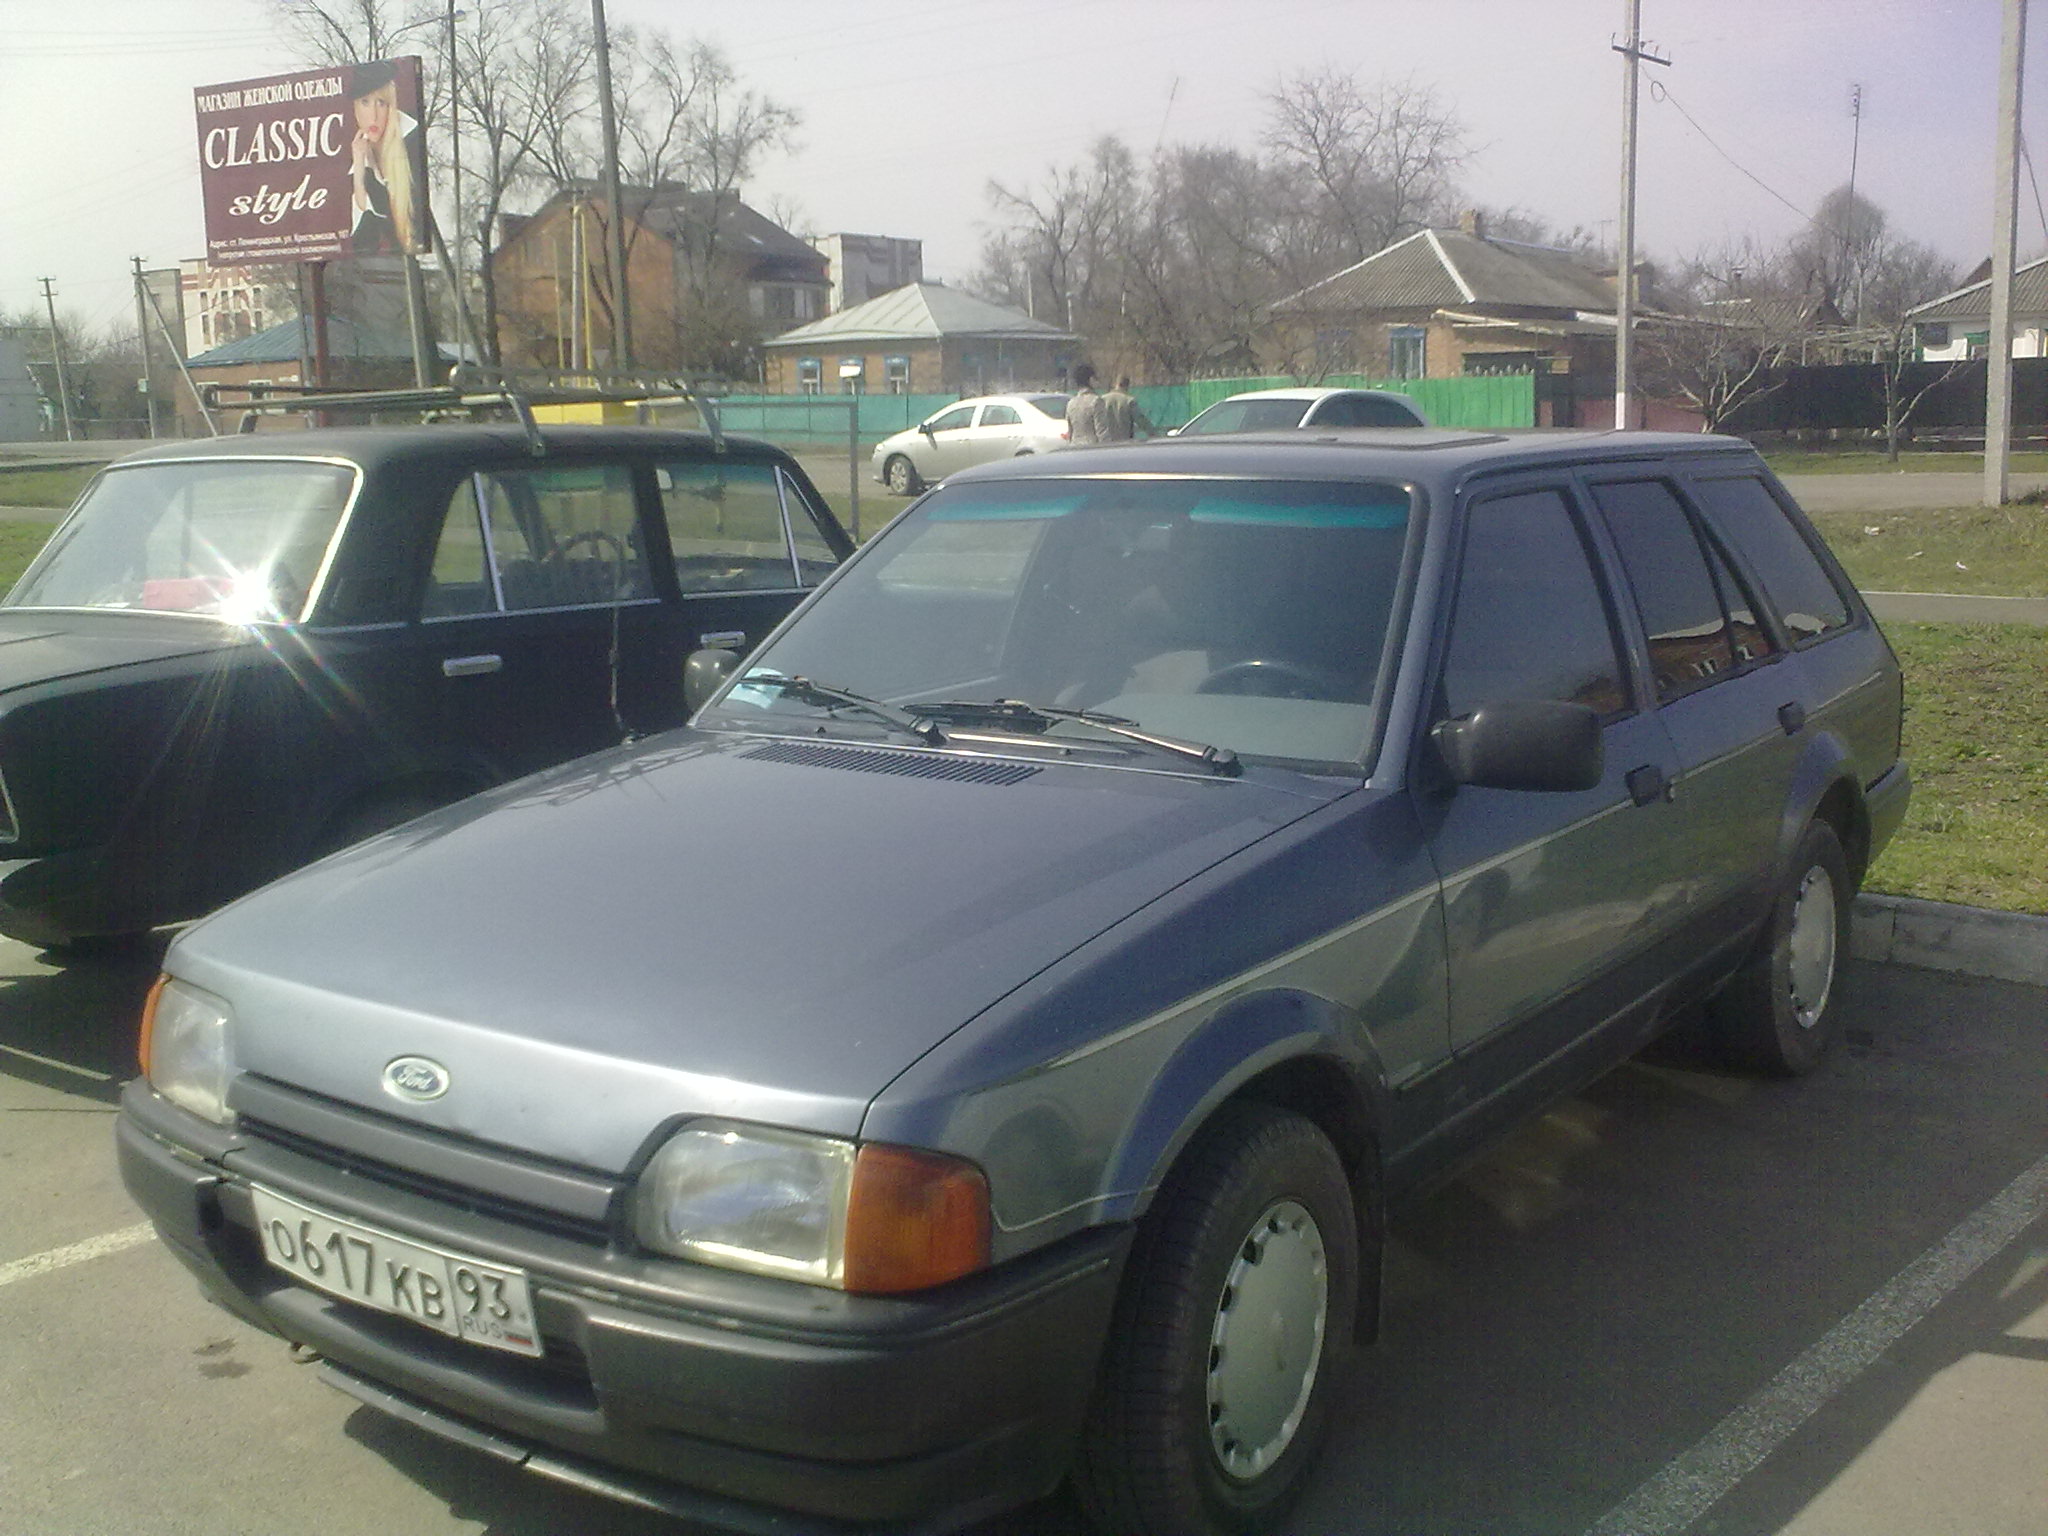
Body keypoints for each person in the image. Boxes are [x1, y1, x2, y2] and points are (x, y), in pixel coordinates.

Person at [347, 61, 419, 255]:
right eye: (365, 102)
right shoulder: (361, 157)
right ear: (355, 108)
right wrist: (359, 164)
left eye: (381, 103)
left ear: (391, 107)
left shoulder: (411, 146)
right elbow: (364, 216)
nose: (373, 115)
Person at [1101, 376, 1155, 441]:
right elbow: (1140, 420)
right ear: (1127, 386)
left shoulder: (1102, 399)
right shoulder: (1129, 400)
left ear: (1116, 384)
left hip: (1105, 443)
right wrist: (1153, 433)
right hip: (1125, 442)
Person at [1065, 364, 1106, 445]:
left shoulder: (1071, 403)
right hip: (1092, 447)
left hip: (1075, 446)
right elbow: (1102, 431)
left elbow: (1070, 432)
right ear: (1091, 380)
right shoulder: (1096, 401)